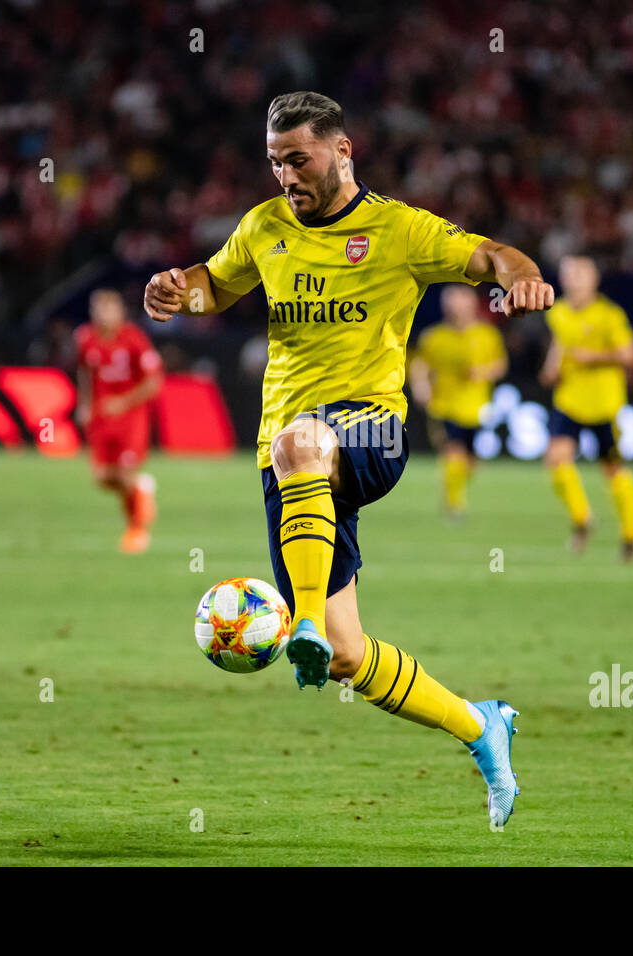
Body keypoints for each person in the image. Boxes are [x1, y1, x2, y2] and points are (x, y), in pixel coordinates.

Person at [142, 91, 555, 827]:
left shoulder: (398, 229)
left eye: (298, 158)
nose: (286, 175)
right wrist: (178, 291)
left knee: (303, 441)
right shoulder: (264, 226)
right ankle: (479, 723)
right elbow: (216, 283)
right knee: (344, 654)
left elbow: (490, 253)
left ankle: (296, 620)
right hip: (291, 462)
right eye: (274, 162)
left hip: (373, 430)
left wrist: (517, 276)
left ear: (342, 150)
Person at [540, 255, 633, 560]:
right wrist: (551, 367)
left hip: (604, 404)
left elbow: (630, 355)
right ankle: (582, 519)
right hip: (570, 400)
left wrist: (594, 356)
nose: (573, 280)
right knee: (556, 460)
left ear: (594, 280)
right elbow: (560, 344)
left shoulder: (609, 315)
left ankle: (631, 533)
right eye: (568, 275)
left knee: (612, 469)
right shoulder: (557, 312)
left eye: (579, 275)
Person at [74, 289, 163, 553]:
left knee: (124, 474)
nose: (102, 314)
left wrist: (123, 402)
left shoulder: (134, 339)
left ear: (120, 311)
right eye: (97, 309)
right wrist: (85, 405)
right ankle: (141, 489)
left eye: (108, 308)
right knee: (102, 477)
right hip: (101, 418)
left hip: (130, 417)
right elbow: (84, 374)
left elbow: (153, 382)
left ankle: (137, 529)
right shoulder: (86, 339)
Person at [409, 284, 507, 519]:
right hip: (443, 406)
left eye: (458, 301)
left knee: (471, 462)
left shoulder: (487, 335)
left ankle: (452, 489)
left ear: (471, 304)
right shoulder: (433, 336)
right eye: (449, 302)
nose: (453, 307)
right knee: (453, 453)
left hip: (476, 407)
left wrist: (482, 372)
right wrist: (421, 386)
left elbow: (500, 365)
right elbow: (420, 364)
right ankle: (454, 505)